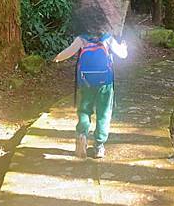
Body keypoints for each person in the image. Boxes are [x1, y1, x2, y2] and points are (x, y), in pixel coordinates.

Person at [53, 30, 127, 159]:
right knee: (104, 113)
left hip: (85, 82)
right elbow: (122, 55)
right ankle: (99, 146)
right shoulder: (107, 38)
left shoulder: (82, 38)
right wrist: (124, 47)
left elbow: (68, 52)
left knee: (84, 110)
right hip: (105, 83)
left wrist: (57, 57)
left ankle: (82, 135)